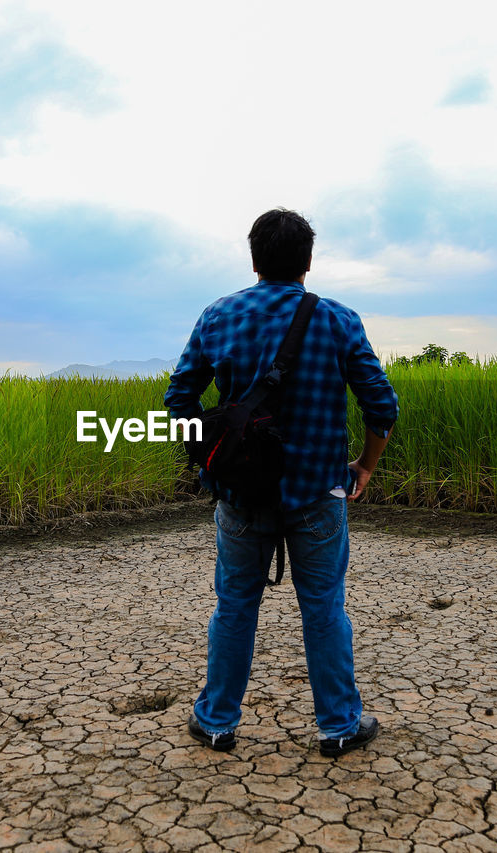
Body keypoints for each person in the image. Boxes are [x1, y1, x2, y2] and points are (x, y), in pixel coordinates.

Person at [164, 208, 399, 757]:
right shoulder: (339, 320)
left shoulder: (218, 316)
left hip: (241, 495)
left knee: (235, 606)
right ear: (308, 262)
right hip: (318, 491)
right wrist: (364, 467)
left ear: (253, 259)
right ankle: (339, 727)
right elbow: (381, 407)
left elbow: (179, 400)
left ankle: (217, 722)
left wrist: (213, 459)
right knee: (323, 607)